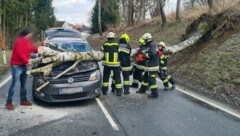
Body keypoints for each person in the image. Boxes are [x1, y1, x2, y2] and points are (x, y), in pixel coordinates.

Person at [5, 28, 46, 110]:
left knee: (24, 84)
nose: (30, 35)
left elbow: (34, 49)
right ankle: (8, 102)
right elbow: (20, 54)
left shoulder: (28, 41)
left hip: (23, 66)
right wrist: (27, 61)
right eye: (29, 34)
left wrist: (42, 45)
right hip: (16, 66)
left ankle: (23, 100)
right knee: (14, 84)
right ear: (26, 34)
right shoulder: (19, 41)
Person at [136, 33, 159, 98]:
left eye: (144, 39)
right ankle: (142, 89)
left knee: (151, 79)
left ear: (146, 38)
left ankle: (155, 94)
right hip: (149, 65)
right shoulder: (149, 44)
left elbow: (151, 53)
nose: (143, 40)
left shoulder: (152, 44)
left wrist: (145, 55)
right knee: (145, 77)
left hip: (153, 66)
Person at [101, 32, 123, 96]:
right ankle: (119, 91)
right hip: (116, 64)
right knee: (117, 77)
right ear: (114, 37)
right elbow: (120, 52)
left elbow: (102, 50)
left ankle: (104, 91)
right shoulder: (117, 44)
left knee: (106, 77)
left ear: (108, 37)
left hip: (107, 64)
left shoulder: (105, 44)